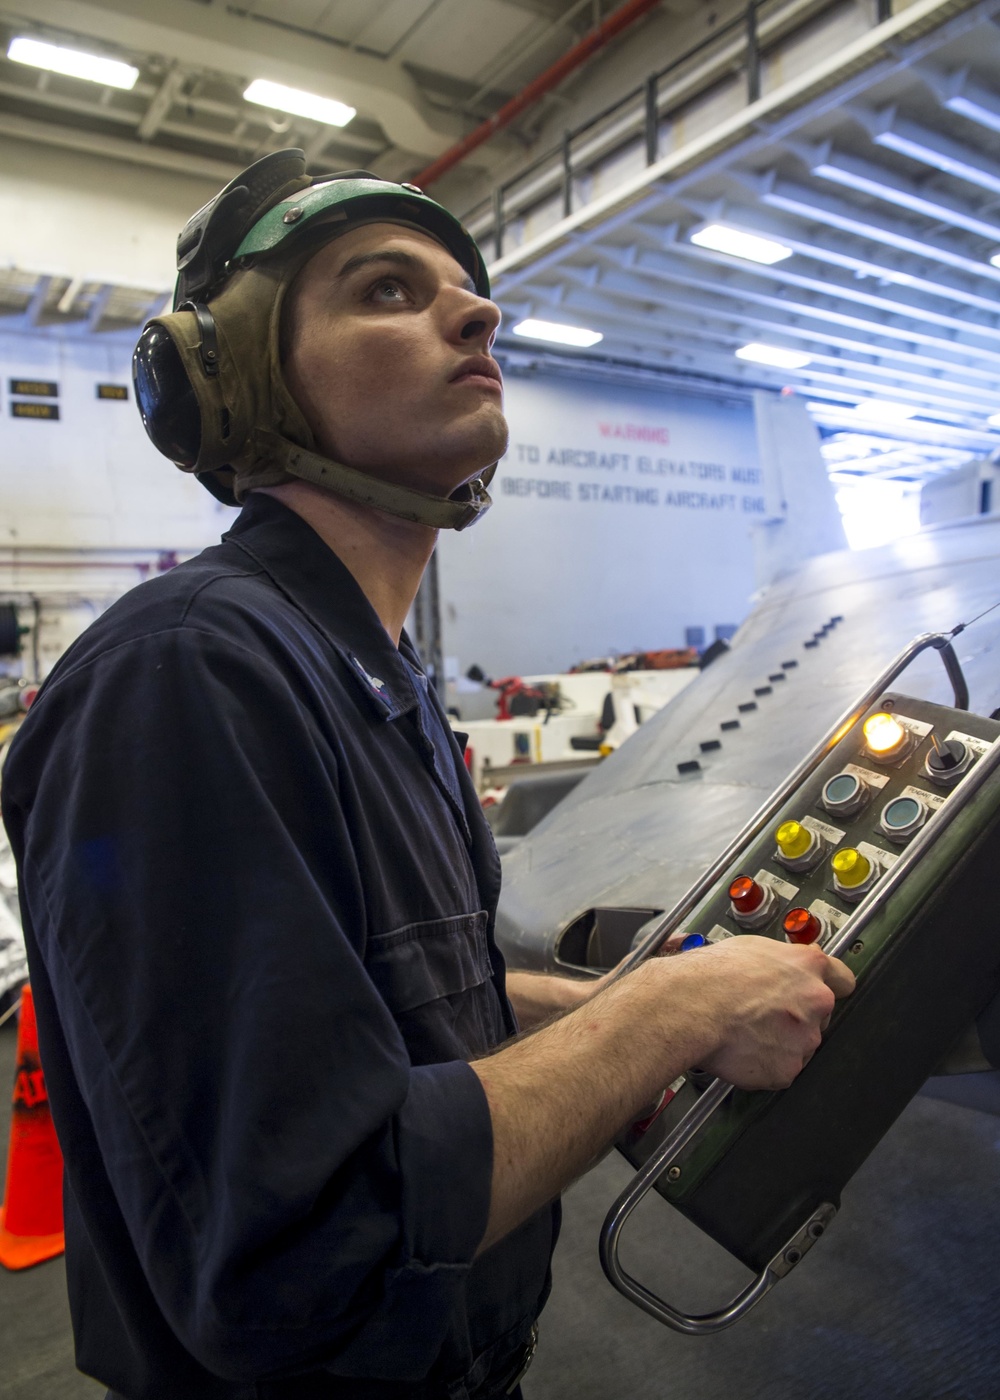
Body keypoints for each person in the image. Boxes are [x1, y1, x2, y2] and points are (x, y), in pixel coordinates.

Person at [0, 151, 854, 1400]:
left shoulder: (373, 678)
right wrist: (660, 1015)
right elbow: (311, 1234)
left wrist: (616, 1016)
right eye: (387, 290)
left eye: (467, 287)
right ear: (228, 382)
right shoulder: (190, 673)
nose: (477, 312)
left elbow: (402, 1009)